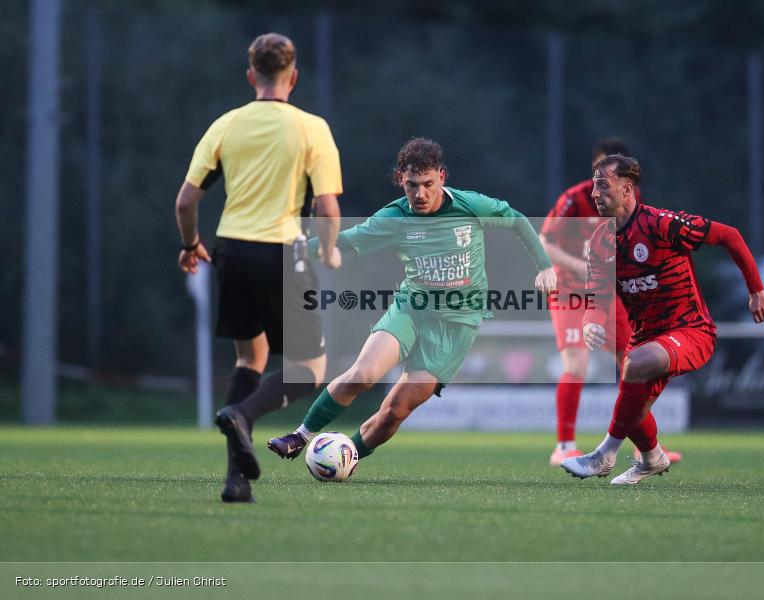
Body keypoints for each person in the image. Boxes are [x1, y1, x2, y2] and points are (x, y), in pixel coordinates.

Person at [267, 137, 557, 464]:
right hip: (412, 308)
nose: (420, 194)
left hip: (457, 324)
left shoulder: (471, 206)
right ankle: (300, 436)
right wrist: (290, 252)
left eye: (428, 184)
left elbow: (515, 218)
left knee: (394, 412)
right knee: (363, 373)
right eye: (412, 185)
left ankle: (347, 456)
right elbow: (345, 240)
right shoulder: (395, 217)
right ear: (400, 180)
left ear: (442, 177)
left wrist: (545, 266)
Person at [175, 33, 342, 502]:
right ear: (294, 77)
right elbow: (327, 208)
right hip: (283, 251)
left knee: (250, 359)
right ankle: (244, 414)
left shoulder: (226, 124)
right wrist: (329, 251)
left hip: (231, 249)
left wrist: (190, 245)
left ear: (251, 76)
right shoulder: (311, 128)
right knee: (309, 369)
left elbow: (186, 201)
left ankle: (236, 481)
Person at [562, 154, 764, 485]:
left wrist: (757, 290)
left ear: (627, 189)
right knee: (634, 411)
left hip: (690, 330)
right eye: (593, 185)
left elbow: (730, 235)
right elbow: (597, 294)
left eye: (603, 185)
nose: (594, 193)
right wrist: (591, 320)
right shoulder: (601, 242)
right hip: (645, 338)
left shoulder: (662, 225)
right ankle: (652, 459)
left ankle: (604, 455)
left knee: (634, 366)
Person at [540, 138, 681, 466]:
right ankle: (564, 446)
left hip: (607, 293)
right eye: (601, 170)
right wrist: (582, 267)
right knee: (576, 365)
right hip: (571, 291)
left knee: (635, 363)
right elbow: (545, 242)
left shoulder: (631, 200)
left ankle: (645, 446)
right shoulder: (574, 200)